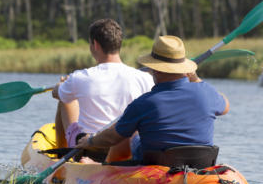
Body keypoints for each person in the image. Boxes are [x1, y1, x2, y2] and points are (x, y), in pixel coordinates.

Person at [75, 35, 229, 163]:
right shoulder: (207, 92)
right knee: (127, 128)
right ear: (185, 69)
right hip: (200, 162)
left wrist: (89, 141)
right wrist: (195, 79)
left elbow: (113, 137)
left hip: (158, 162)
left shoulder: (144, 103)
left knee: (128, 132)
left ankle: (106, 167)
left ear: (155, 69)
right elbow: (225, 106)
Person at [52, 18, 154, 148]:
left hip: (89, 147)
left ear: (95, 44)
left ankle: (60, 153)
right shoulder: (145, 78)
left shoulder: (79, 77)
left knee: (65, 100)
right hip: (125, 148)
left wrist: (60, 86)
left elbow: (56, 94)